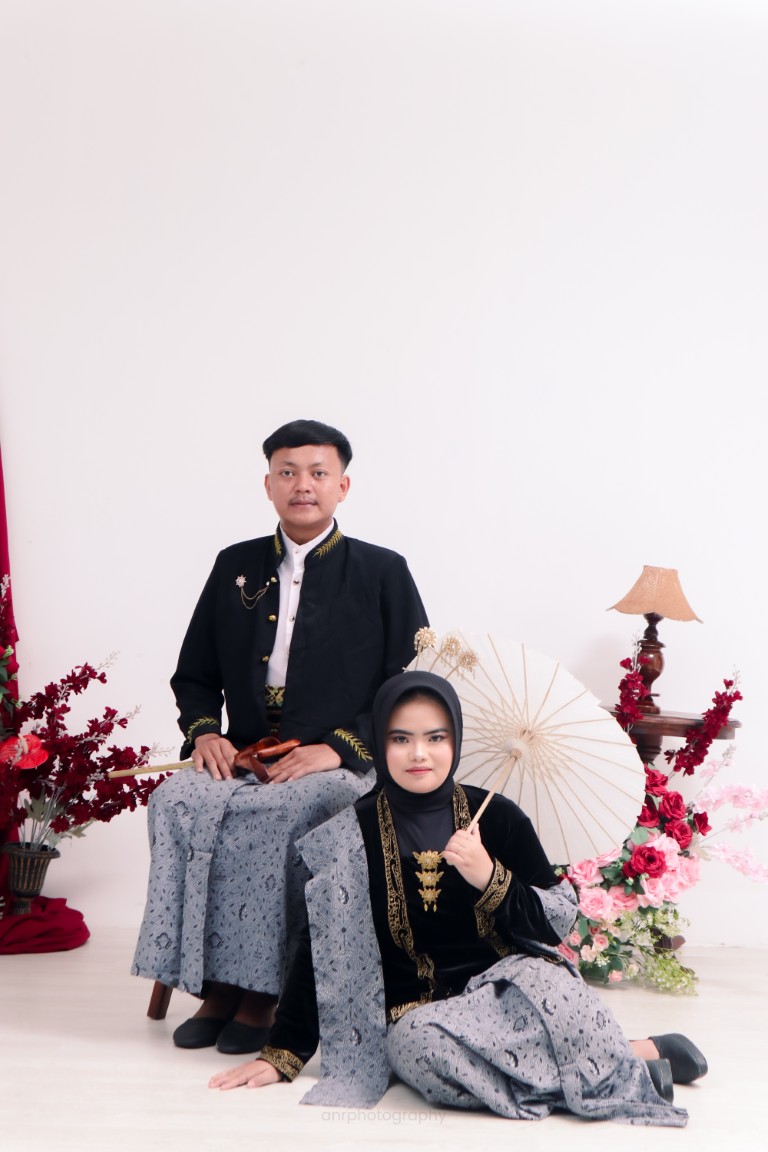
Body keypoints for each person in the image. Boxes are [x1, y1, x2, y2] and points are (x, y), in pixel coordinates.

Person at [209, 670, 707, 1125]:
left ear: (455, 741)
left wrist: (489, 875)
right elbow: (318, 944)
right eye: (400, 738)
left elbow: (555, 921)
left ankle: (617, 1055)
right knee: (414, 1049)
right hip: (423, 1017)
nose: (419, 754)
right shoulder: (351, 833)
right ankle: (628, 1061)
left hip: (508, 991)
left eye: (435, 738)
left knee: (552, 988)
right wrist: (283, 1053)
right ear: (378, 741)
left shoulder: (497, 816)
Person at [132, 420, 428, 1054]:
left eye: (319, 473)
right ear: (267, 484)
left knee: (279, 815)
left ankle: (264, 994)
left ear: (343, 486)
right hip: (244, 753)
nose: (303, 485)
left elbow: (410, 688)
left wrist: (339, 748)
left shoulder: (383, 571)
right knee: (177, 801)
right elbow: (194, 674)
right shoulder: (234, 565)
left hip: (336, 761)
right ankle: (214, 985)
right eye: (288, 473)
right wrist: (205, 734)